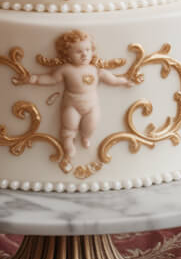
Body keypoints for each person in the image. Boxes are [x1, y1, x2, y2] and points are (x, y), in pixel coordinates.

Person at [28, 30, 131, 167]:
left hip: (91, 107)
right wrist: (34, 79)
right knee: (69, 126)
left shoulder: (95, 70)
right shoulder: (66, 69)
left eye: (88, 50)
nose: (84, 54)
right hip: (72, 105)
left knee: (91, 125)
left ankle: (86, 137)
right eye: (78, 52)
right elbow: (51, 79)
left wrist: (124, 81)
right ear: (67, 54)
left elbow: (112, 80)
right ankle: (69, 146)